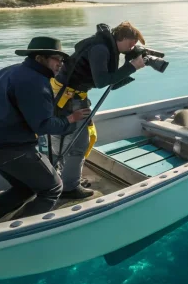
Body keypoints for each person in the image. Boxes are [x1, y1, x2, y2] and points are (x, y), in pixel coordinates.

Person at [0, 37, 91, 230]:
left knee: (24, 188)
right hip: (9, 149)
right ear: (39, 58)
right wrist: (71, 119)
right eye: (56, 59)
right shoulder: (36, 82)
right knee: (52, 188)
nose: (60, 65)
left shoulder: (7, 71)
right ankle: (18, 230)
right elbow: (43, 126)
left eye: (62, 61)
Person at [49, 22, 146, 199]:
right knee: (78, 143)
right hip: (67, 98)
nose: (133, 46)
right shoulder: (101, 49)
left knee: (67, 140)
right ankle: (69, 188)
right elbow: (102, 82)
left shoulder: (106, 46)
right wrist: (132, 66)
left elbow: (112, 83)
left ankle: (64, 179)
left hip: (72, 96)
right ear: (122, 38)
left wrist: (130, 65)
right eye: (132, 43)